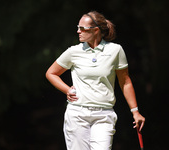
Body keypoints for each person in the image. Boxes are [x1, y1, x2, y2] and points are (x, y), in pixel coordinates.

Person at [46, 11, 145, 150]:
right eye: (77, 27)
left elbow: (125, 81)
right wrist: (67, 89)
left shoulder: (115, 50)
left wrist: (135, 111)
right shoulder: (73, 51)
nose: (78, 31)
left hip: (104, 115)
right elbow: (51, 73)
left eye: (82, 28)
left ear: (96, 30)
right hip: (77, 114)